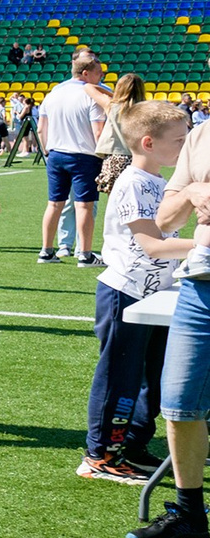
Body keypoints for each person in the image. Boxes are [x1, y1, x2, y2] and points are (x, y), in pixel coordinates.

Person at [84, 101, 190, 484]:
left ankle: (133, 445)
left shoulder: (159, 182)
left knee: (155, 375)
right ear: (148, 143)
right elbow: (152, 245)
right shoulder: (132, 183)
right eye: (180, 140)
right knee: (119, 377)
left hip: (156, 296)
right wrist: (204, 247)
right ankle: (100, 454)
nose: (186, 146)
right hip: (125, 295)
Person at [138, 111, 210, 538]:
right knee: (180, 404)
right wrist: (195, 191)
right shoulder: (201, 135)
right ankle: (189, 512)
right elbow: (164, 220)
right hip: (201, 283)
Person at [39, 50, 112, 265]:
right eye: (99, 73)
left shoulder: (53, 93)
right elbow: (98, 131)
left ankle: (46, 250)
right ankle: (85, 254)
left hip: (56, 154)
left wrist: (47, 151)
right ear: (87, 73)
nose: (101, 77)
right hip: (84, 156)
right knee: (84, 206)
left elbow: (42, 127)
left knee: (54, 204)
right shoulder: (92, 95)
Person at [97, 72, 147, 195]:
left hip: (116, 156)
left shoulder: (112, 106)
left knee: (115, 199)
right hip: (139, 157)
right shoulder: (145, 109)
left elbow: (89, 87)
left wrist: (114, 96)